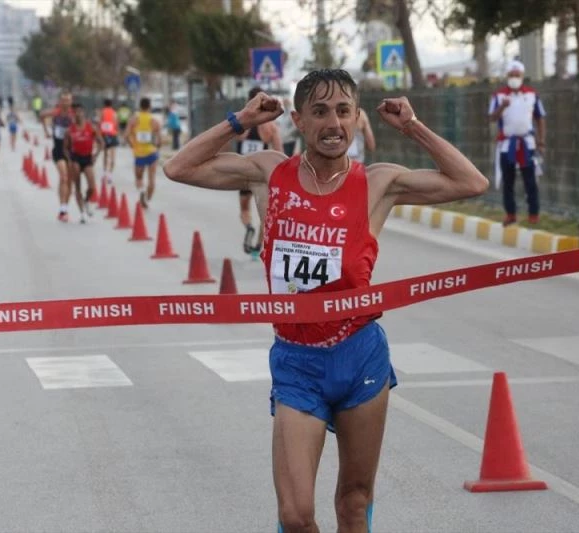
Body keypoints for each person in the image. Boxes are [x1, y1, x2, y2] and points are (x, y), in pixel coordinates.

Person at [163, 68, 488, 533]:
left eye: (342, 111)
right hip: (298, 362)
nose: (332, 123)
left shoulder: (377, 183)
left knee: (354, 502)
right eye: (318, 112)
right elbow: (178, 168)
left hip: (359, 356)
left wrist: (412, 126)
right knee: (295, 515)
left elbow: (471, 182)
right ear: (298, 119)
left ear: (357, 119)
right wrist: (240, 120)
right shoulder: (270, 173)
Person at [488, 59, 546, 227]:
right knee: (508, 180)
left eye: (517, 75)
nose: (514, 78)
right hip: (507, 144)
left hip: (527, 143)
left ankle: (533, 214)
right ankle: (510, 213)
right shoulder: (499, 96)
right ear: (507, 76)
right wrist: (502, 107)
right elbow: (492, 117)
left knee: (531, 180)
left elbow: (540, 117)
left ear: (522, 76)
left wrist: (541, 141)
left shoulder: (531, 94)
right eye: (511, 75)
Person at [235, 86, 282, 256]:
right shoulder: (271, 127)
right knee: (265, 213)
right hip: (262, 174)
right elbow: (279, 152)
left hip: (244, 173)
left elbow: (230, 142)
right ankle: (258, 246)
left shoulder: (242, 123)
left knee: (245, 209)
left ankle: (248, 227)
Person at [64, 103, 102, 224]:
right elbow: (65, 148)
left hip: (87, 158)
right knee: (78, 186)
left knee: (92, 186)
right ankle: (81, 213)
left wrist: (96, 155)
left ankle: (86, 201)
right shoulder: (69, 130)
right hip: (75, 158)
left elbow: (101, 142)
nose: (78, 114)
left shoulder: (91, 128)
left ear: (84, 113)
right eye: (76, 112)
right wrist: (69, 159)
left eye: (80, 111)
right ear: (73, 114)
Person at [40, 91, 75, 222]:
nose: (66, 102)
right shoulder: (56, 112)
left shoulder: (73, 114)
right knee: (64, 177)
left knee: (69, 181)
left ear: (71, 101)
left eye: (68, 100)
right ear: (60, 101)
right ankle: (62, 209)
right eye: (63, 100)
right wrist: (46, 131)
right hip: (59, 150)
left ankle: (65, 207)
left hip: (72, 151)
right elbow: (42, 115)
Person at [125, 97, 162, 209]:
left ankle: (141, 191)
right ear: (150, 106)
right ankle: (147, 197)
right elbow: (159, 140)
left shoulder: (134, 120)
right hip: (151, 153)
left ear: (140, 106)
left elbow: (126, 135)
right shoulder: (154, 121)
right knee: (152, 179)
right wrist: (157, 147)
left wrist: (132, 145)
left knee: (139, 178)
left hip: (139, 153)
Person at [98, 99, 119, 184]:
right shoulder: (114, 113)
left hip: (104, 134)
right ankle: (110, 175)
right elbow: (116, 124)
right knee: (112, 156)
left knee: (105, 155)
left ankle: (104, 174)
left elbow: (100, 123)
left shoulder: (102, 112)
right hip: (112, 134)